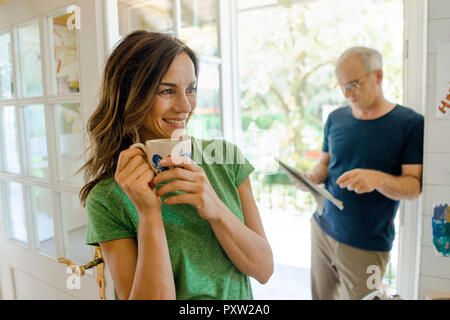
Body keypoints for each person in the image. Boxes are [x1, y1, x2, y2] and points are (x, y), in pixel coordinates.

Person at [79, 31, 273, 300]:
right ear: (130, 96)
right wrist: (149, 214)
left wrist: (214, 206)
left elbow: (263, 269)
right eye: (167, 90)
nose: (185, 106)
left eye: (191, 89)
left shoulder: (226, 158)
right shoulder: (107, 197)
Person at [306, 47, 424, 300]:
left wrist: (378, 179)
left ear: (378, 76)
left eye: (354, 84)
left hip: (366, 244)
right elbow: (325, 164)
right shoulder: (336, 118)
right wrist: (313, 177)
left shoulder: (410, 124)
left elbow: (414, 187)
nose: (347, 93)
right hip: (323, 229)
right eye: (341, 86)